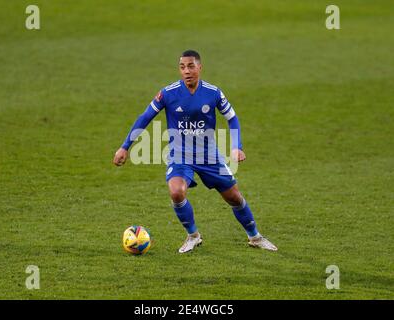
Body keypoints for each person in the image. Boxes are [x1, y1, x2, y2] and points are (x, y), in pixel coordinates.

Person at [113, 50, 277, 253]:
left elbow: (232, 118)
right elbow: (144, 117)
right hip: (180, 156)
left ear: (200, 67)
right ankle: (193, 236)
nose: (186, 71)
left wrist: (237, 146)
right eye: (182, 67)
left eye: (191, 66)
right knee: (176, 192)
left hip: (209, 156)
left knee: (234, 197)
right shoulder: (168, 93)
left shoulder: (213, 92)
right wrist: (125, 146)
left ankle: (255, 237)